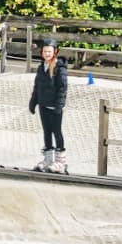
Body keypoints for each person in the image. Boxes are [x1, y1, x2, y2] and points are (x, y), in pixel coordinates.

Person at [29, 36, 68, 174]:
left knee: (56, 132)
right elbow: (37, 86)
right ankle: (48, 159)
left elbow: (62, 88)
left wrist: (59, 105)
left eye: (49, 51)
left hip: (55, 107)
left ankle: (61, 162)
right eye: (45, 51)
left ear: (55, 52)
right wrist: (33, 102)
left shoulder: (59, 68)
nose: (47, 54)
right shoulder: (42, 67)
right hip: (43, 105)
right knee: (46, 132)